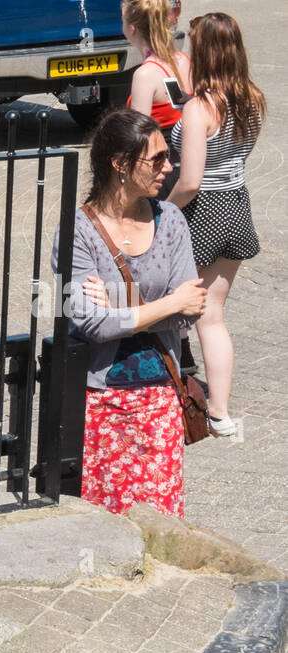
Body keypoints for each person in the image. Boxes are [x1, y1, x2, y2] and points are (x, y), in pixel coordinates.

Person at [61, 108, 206, 517]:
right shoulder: (78, 231)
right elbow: (91, 324)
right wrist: (170, 303)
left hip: (161, 396)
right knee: (105, 526)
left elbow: (190, 311)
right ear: (121, 165)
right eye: (157, 158)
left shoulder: (172, 221)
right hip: (101, 402)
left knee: (161, 526)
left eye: (168, 155)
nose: (169, 166)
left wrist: (122, 311)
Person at [166, 12, 265, 439]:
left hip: (202, 209)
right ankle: (221, 413)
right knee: (214, 314)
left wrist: (163, 212)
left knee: (181, 310)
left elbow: (189, 181)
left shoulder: (198, 109)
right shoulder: (253, 99)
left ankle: (168, 392)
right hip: (237, 205)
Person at [123, 0, 192, 198]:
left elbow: (138, 138)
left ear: (132, 29)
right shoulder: (184, 60)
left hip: (161, 170)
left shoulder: (145, 75)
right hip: (187, 160)